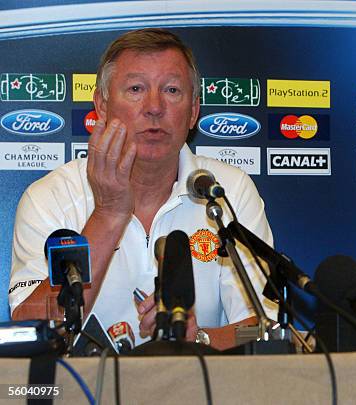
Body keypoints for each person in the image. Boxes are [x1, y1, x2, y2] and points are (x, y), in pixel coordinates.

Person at [9, 28, 275, 350]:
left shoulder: (227, 191)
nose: (154, 106)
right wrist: (108, 214)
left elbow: (262, 329)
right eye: (135, 88)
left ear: (193, 112)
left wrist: (199, 338)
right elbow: (30, 331)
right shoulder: (51, 198)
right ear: (102, 107)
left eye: (172, 90)